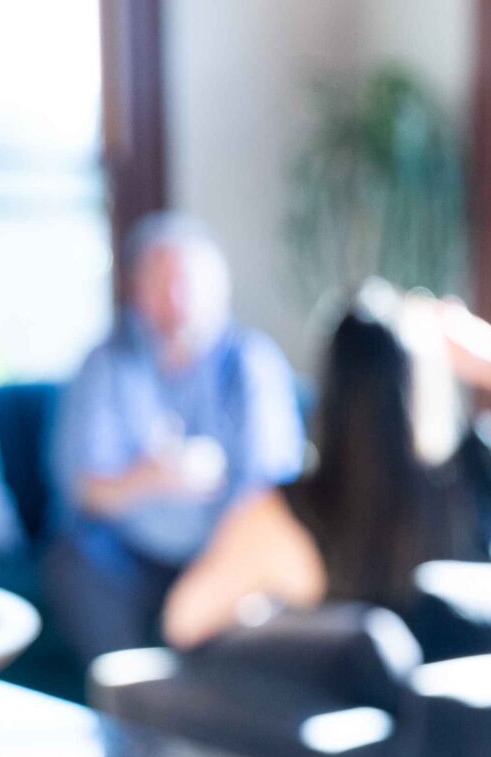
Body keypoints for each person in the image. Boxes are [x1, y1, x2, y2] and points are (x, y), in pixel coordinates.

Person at [159, 287, 491, 650]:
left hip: (360, 750)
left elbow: (183, 621)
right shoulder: (483, 486)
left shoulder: (282, 519)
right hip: (484, 747)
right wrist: (488, 355)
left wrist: (273, 619)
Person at [47, 214, 305, 664]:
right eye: (161, 281)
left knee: (261, 565)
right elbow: (84, 490)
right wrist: (149, 477)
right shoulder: (105, 364)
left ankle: (203, 690)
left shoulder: (252, 362)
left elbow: (270, 484)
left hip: (222, 547)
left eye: (187, 281)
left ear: (219, 289)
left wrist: (214, 567)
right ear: (136, 290)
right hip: (130, 555)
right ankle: (127, 692)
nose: (176, 297)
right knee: (73, 561)